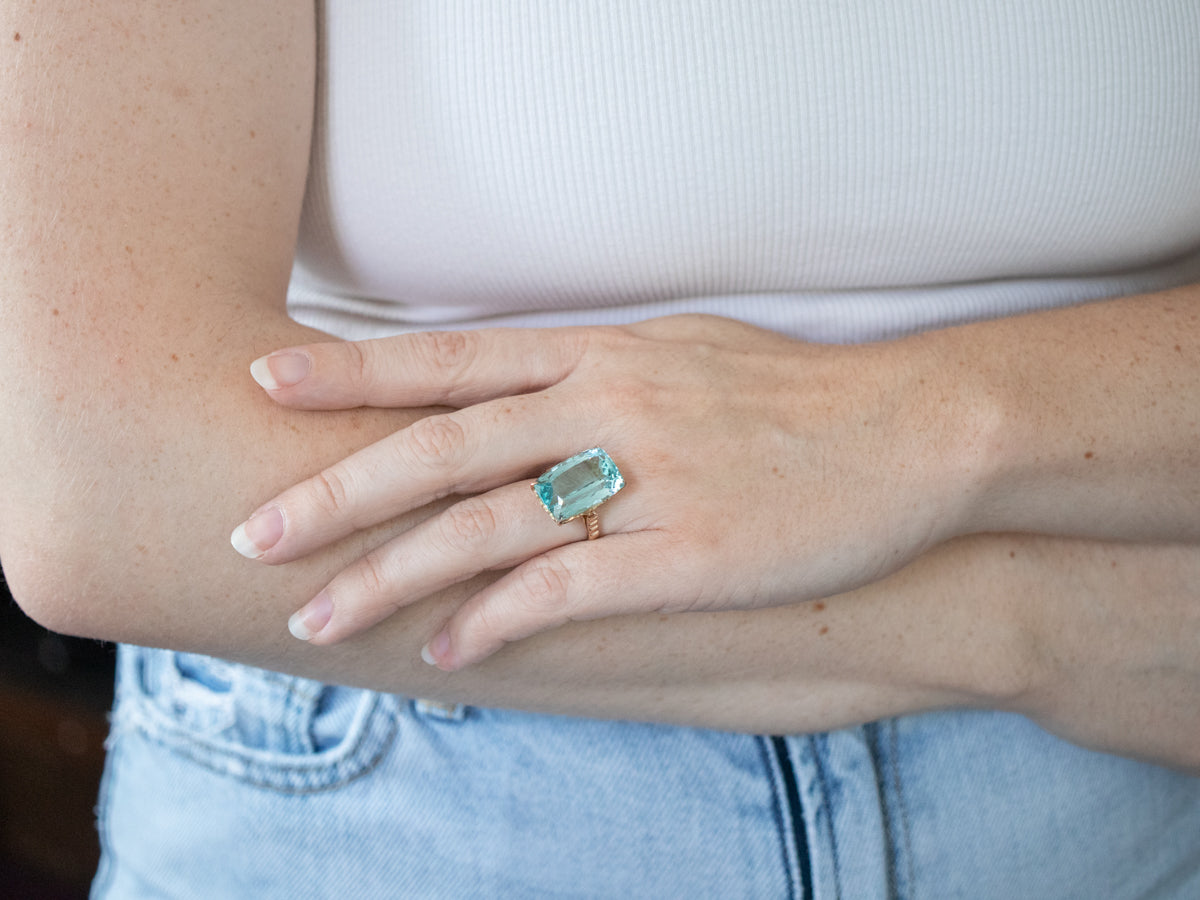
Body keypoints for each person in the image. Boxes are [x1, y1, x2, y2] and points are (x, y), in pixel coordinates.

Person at [2, 1, 1199, 897]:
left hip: (1125, 791)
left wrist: (918, 426)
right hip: (403, 788)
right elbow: (110, 482)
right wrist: (1035, 619)